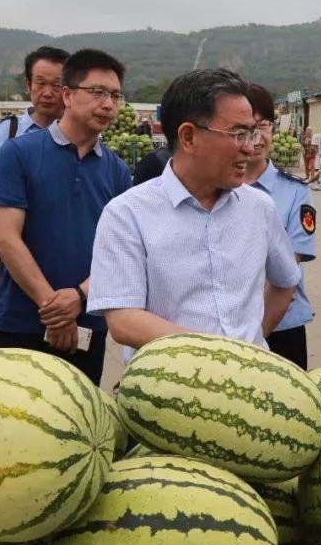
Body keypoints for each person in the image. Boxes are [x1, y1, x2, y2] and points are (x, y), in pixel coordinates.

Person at [88, 69, 300, 354]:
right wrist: (219, 354)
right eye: (238, 134)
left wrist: (250, 349)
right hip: (168, 391)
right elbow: (123, 321)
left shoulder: (259, 207)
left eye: (252, 132)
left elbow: (285, 283)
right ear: (188, 137)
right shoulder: (127, 214)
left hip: (251, 385)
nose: (251, 148)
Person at [0, 49, 132, 386]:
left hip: (88, 324)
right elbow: (6, 239)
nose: (108, 103)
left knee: (79, 423)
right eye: (97, 92)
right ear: (68, 95)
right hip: (21, 321)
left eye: (115, 95)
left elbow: (122, 253)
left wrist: (77, 298)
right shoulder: (18, 153)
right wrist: (53, 307)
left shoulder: (117, 171)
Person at [243, 84, 316, 369]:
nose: (258, 136)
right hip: (227, 325)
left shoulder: (295, 191)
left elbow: (291, 260)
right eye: (248, 127)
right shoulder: (217, 188)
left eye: (264, 124)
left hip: (284, 323)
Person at [0, 46, 70, 193]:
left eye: (56, 85)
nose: (47, 93)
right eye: (40, 83)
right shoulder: (9, 130)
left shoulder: (80, 132)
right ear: (28, 85)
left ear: (68, 89)